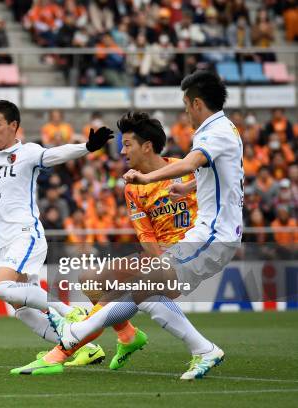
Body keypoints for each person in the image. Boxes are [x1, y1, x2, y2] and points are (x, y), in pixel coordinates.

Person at [15, 71, 243, 380]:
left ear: (197, 103)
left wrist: (149, 178)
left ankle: (68, 342)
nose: (185, 112)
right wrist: (188, 190)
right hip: (192, 242)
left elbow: (191, 165)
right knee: (123, 287)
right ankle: (164, 343)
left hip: (207, 237)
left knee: (138, 290)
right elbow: (220, 179)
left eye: (186, 105)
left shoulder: (205, 139)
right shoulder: (224, 131)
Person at [0, 100, 115, 365]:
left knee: (2, 288)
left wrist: (87, 148)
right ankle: (81, 346)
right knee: (22, 308)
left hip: (26, 234)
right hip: (4, 243)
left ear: (13, 126)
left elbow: (55, 154)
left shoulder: (27, 152)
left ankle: (70, 312)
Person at [13, 111, 199, 374]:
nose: (121, 151)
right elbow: (145, 234)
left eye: (127, 144)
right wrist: (158, 264)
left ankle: (61, 353)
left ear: (147, 147)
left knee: (116, 294)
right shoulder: (133, 185)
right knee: (90, 280)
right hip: (160, 256)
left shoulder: (187, 169)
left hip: (192, 255)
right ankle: (128, 336)